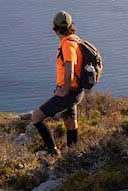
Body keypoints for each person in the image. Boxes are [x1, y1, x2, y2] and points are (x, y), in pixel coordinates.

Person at [29, 10, 97, 157]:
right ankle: (75, 154)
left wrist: (64, 90)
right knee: (70, 122)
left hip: (70, 92)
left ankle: (53, 152)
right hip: (76, 91)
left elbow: (70, 69)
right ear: (70, 25)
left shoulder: (67, 45)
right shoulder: (75, 39)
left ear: (55, 27)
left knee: (36, 117)